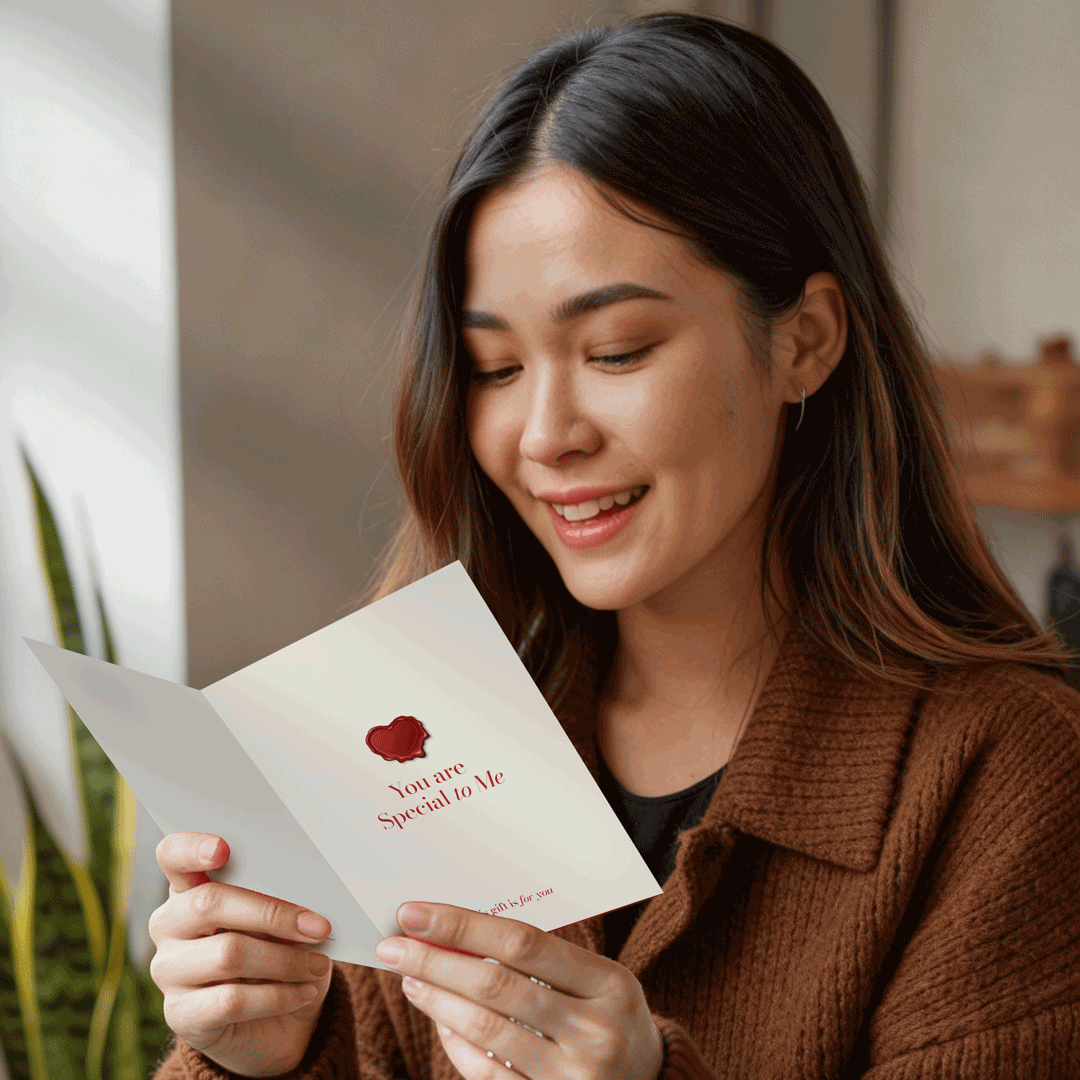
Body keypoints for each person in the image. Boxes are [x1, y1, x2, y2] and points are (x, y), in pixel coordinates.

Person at [149, 12, 1080, 1079]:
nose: (545, 434)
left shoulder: (1010, 783)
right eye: (496, 368)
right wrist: (259, 1061)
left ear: (806, 342)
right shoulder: (415, 744)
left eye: (616, 349)